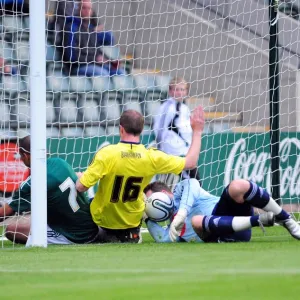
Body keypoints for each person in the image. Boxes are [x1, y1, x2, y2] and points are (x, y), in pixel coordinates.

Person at [76, 106, 205, 243]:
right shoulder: (152, 157)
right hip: (130, 226)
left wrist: (79, 177)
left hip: (101, 223)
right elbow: (191, 163)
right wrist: (197, 131)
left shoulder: (107, 154)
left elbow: (81, 187)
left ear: (121, 129)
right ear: (142, 130)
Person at [0, 135, 99, 245]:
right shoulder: (60, 162)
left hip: (74, 236)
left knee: (11, 229)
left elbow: (5, 213)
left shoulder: (33, 183)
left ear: (25, 155)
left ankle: (58, 239)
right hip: (90, 226)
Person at [143, 178, 300, 243]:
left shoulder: (181, 192)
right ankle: (258, 220)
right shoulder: (171, 228)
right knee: (196, 221)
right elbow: (163, 239)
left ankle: (286, 220)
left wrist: (182, 212)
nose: (151, 207)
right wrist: (147, 218)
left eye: (152, 201)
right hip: (220, 237)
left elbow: (193, 183)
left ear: (163, 194)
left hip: (229, 216)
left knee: (238, 185)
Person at [153, 77, 201, 184]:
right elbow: (159, 129)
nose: (179, 92)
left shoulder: (185, 108)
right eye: (177, 89)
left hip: (185, 152)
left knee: (192, 183)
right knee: (193, 182)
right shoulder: (166, 108)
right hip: (174, 153)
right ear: (170, 91)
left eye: (182, 89)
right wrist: (162, 150)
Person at [62, 0, 123, 77]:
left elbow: (96, 50)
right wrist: (95, 59)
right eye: (84, 8)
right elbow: (71, 57)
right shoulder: (71, 28)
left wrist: (108, 60)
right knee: (103, 74)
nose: (87, 11)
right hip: (78, 67)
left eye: (89, 8)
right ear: (78, 10)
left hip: (94, 64)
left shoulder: (91, 28)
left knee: (120, 72)